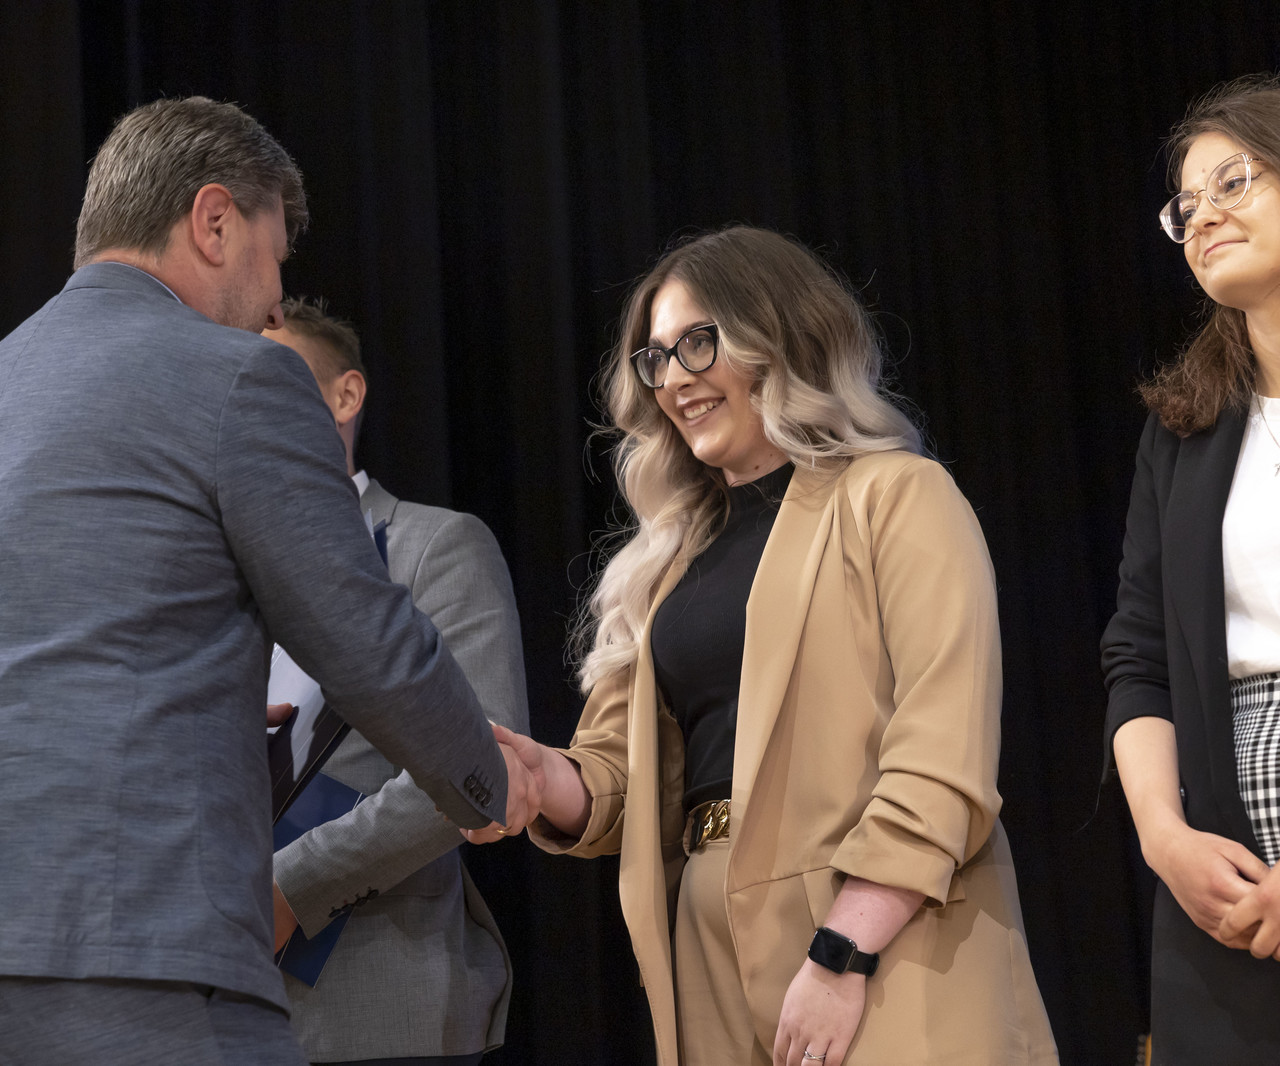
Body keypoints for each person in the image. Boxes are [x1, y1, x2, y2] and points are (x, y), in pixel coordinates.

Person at [0, 97, 524, 1066]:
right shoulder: (240, 376)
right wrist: (490, 781)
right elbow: (365, 640)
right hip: (113, 943)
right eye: (274, 256)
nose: (277, 304)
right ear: (213, 221)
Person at [468, 226, 1058, 1066]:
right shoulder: (665, 567)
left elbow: (943, 754)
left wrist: (843, 950)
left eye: (697, 343)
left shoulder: (896, 495)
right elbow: (619, 776)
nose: (674, 379)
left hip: (882, 931)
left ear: (777, 337)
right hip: (707, 937)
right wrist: (539, 780)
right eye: (655, 359)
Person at [263, 298, 527, 1066]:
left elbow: (485, 762)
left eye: (271, 376)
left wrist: (289, 889)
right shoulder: (208, 578)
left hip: (382, 998)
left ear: (346, 393)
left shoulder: (436, 547)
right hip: (215, 1004)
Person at [1103, 75, 1280, 1062]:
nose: (1201, 216)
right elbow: (1139, 656)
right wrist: (1165, 842)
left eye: (1233, 182)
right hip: (1219, 879)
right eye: (1185, 204)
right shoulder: (1183, 430)